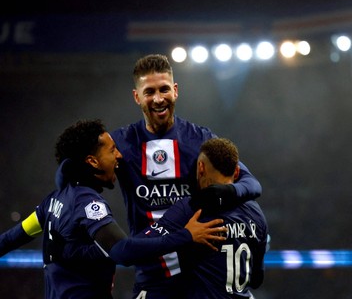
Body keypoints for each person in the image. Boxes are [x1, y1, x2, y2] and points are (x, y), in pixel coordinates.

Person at [0, 119, 227, 298]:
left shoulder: (52, 202)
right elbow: (123, 251)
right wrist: (186, 236)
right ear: (93, 161)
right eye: (111, 151)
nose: (119, 156)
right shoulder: (89, 204)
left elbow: (10, 238)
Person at [110, 53, 263, 298]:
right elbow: (75, 169)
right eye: (149, 92)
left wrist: (222, 193)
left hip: (200, 281)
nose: (158, 99)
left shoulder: (200, 139)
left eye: (164, 89)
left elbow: (251, 183)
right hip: (152, 283)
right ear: (137, 96)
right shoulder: (120, 143)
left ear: (176, 90)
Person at [141, 137, 269, 298]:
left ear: (200, 167)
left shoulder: (193, 208)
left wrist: (184, 236)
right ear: (237, 171)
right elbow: (257, 279)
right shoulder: (256, 213)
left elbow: (136, 250)